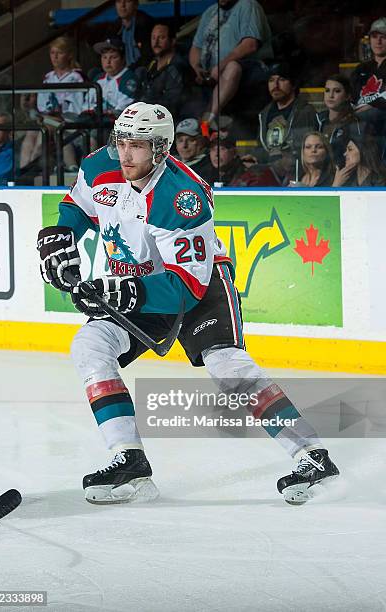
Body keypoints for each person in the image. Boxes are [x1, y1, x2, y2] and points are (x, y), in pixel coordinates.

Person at [37, 101, 339, 506]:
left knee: (226, 365)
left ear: (161, 149)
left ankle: (312, 455)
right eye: (121, 142)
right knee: (89, 347)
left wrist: (123, 291)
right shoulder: (99, 166)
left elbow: (185, 289)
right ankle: (129, 459)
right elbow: (79, 206)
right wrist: (60, 235)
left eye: (137, 145)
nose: (124, 154)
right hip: (136, 282)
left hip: (199, 284)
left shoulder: (184, 197)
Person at [189, 0, 273, 120]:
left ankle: (208, 118)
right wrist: (196, 67)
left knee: (232, 67)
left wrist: (220, 66)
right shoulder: (210, 11)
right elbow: (196, 47)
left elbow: (250, 45)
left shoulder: (248, 5)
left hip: (249, 68)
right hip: (212, 73)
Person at [20, 36, 85, 172]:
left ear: (69, 55)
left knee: (40, 138)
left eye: (59, 53)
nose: (55, 57)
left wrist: (51, 118)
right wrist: (31, 107)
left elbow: (76, 110)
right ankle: (22, 172)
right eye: (52, 53)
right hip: (48, 120)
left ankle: (31, 172)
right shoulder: (48, 77)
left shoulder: (77, 77)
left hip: (68, 122)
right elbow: (43, 107)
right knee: (29, 136)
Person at [81, 37, 137, 150]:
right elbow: (86, 105)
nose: (108, 61)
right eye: (104, 57)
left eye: (113, 57)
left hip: (113, 126)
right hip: (93, 122)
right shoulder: (98, 78)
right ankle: (72, 167)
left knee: (92, 136)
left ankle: (92, 167)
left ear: (123, 59)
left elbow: (121, 111)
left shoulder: (128, 79)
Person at [258, 63, 317, 161]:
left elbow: (304, 149)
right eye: (271, 80)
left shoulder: (305, 111)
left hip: (294, 168)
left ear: (293, 84)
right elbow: (260, 147)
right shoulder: (263, 114)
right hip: (269, 169)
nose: (275, 85)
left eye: (282, 79)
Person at [350, 17, 386, 153]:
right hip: (359, 119)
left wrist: (372, 105)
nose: (378, 41)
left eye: (383, 37)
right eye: (375, 36)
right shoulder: (361, 69)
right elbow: (351, 98)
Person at [135, 23, 185, 118]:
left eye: (161, 38)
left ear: (172, 41)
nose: (156, 42)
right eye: (153, 38)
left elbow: (172, 104)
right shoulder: (150, 65)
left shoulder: (176, 67)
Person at [317, 74, 362, 168]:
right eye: (327, 90)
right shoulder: (317, 119)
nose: (331, 95)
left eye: (337, 91)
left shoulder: (355, 122)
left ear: (347, 96)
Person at [109, 0, 153, 68]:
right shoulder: (114, 27)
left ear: (136, 5)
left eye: (127, 1)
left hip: (143, 70)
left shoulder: (147, 24)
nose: (122, 5)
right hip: (121, 72)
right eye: (119, 1)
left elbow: (149, 56)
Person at [174, 118, 213, 182]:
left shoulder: (210, 166)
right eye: (180, 140)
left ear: (201, 141)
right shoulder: (169, 164)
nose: (184, 146)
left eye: (190, 140)